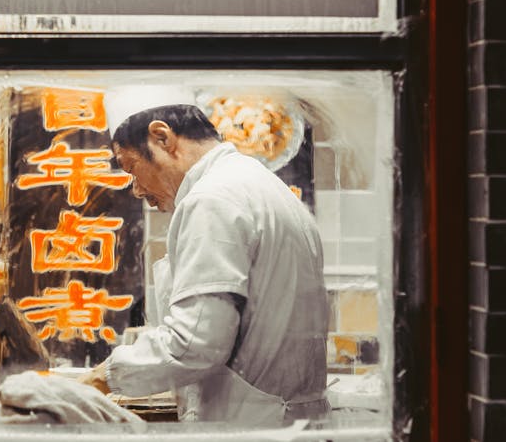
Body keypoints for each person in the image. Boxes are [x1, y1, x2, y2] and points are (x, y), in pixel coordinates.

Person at [78, 93, 329, 427]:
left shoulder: (212, 198)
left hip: (253, 428)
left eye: (131, 169)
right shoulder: (261, 184)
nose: (136, 189)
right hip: (287, 422)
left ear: (162, 137)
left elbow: (195, 343)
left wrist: (103, 377)